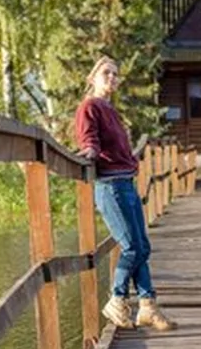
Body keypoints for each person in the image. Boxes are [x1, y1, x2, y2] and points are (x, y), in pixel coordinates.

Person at [74, 56, 176, 331]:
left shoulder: (110, 109)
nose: (112, 78)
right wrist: (89, 152)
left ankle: (147, 307)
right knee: (131, 247)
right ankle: (117, 299)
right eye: (106, 73)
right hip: (110, 187)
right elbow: (89, 139)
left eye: (115, 74)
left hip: (126, 184)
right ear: (92, 78)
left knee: (142, 246)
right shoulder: (89, 106)